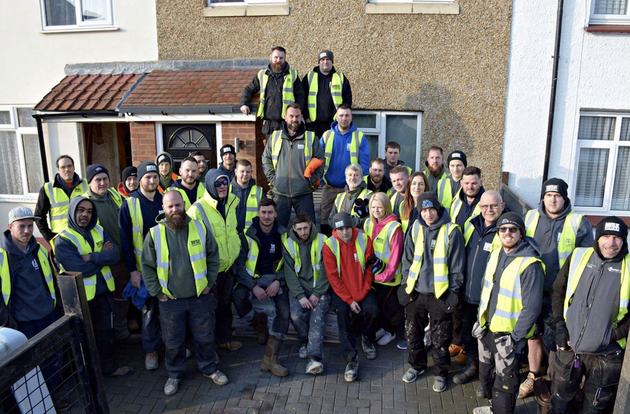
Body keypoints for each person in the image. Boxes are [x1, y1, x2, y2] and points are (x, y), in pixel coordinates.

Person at [141, 190, 227, 396]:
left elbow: (213, 257)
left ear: (184, 205)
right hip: (171, 301)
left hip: (200, 297)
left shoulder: (199, 227)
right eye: (170, 206)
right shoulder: (154, 234)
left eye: (178, 205)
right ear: (163, 208)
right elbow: (146, 266)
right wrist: (157, 292)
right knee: (172, 341)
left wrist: (209, 283)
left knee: (205, 336)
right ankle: (175, 374)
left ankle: (209, 368)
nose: (174, 210)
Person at [519, 178, 594, 399]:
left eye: (557, 196)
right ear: (543, 197)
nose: (553, 199)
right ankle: (533, 377)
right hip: (532, 289)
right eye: (549, 195)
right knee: (533, 335)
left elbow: (586, 262)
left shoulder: (578, 222)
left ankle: (553, 382)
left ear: (564, 198)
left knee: (555, 340)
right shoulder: (531, 216)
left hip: (559, 295)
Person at [549, 216, 629, 414]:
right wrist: (559, 326)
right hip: (570, 347)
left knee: (594, 409)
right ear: (597, 237)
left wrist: (610, 336)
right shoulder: (578, 257)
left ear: (624, 240)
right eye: (607, 236)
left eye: (617, 238)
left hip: (606, 354)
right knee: (559, 404)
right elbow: (558, 291)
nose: (611, 243)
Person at [472, 212, 544, 414]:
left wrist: (515, 339)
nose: (507, 233)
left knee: (505, 385)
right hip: (487, 330)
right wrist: (480, 318)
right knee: (487, 376)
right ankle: (494, 409)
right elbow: (486, 288)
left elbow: (531, 308)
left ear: (521, 233)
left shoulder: (530, 265)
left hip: (508, 338)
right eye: (502, 229)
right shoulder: (496, 253)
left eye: (513, 229)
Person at [54, 197, 133, 377]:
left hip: (104, 294)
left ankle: (108, 368)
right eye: (81, 210)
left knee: (106, 333)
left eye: (89, 211)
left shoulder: (99, 230)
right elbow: (80, 269)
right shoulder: (63, 240)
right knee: (85, 338)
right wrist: (101, 256)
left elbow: (114, 254)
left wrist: (92, 257)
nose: (85, 215)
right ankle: (89, 374)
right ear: (73, 211)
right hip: (81, 299)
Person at [399, 192, 464, 392]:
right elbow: (407, 260)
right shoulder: (415, 228)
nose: (427, 214)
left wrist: (452, 293)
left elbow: (457, 267)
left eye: (431, 210)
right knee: (413, 335)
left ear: (438, 210)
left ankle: (441, 372)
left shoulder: (452, 231)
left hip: (440, 295)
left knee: (441, 339)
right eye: (424, 210)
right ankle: (416, 365)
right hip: (416, 293)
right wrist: (405, 285)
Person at [233, 198, 291, 377]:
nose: (267, 216)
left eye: (270, 212)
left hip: (275, 278)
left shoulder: (284, 234)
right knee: (237, 296)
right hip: (253, 278)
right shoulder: (246, 233)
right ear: (258, 213)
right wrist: (252, 286)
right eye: (263, 212)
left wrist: (278, 281)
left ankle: (271, 358)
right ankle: (258, 324)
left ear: (275, 214)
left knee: (284, 311)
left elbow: (290, 263)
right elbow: (239, 265)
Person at [453, 190, 504, 392]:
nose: (488, 210)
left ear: (502, 205)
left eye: (493, 206)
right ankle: (472, 367)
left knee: (488, 341)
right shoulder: (471, 225)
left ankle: (489, 379)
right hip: (469, 294)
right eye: (484, 206)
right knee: (468, 335)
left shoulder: (506, 229)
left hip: (492, 299)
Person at [82, 164, 139, 344]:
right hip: (103, 262)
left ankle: (121, 332)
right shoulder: (84, 203)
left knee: (122, 296)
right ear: (89, 182)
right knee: (108, 301)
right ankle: (110, 338)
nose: (102, 183)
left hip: (121, 257)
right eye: (98, 180)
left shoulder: (114, 195)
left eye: (105, 179)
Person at [188, 169, 242, 351]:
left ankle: (223, 340)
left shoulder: (232, 203)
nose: (222, 187)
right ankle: (208, 350)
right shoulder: (197, 210)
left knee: (225, 308)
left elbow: (233, 233)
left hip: (228, 268)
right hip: (210, 272)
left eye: (225, 182)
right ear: (210, 185)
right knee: (207, 313)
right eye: (218, 183)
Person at [118, 161, 164, 371]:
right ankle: (151, 351)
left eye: (155, 177)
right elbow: (125, 241)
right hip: (143, 270)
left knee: (168, 309)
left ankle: (171, 346)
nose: (152, 180)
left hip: (165, 268)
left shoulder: (163, 201)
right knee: (148, 312)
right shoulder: (129, 204)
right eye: (148, 177)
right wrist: (132, 271)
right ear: (140, 181)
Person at [323, 212, 378, 382]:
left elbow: (369, 270)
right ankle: (351, 360)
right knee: (343, 316)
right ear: (335, 229)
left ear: (352, 227)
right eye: (340, 229)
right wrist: (350, 300)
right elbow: (333, 278)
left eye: (347, 228)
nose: (345, 232)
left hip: (362, 286)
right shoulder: (329, 245)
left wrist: (361, 294)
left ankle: (367, 338)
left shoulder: (364, 239)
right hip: (342, 291)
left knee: (372, 311)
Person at [262, 103, 324, 228]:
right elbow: (266, 159)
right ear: (285, 117)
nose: (294, 119)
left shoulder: (311, 138)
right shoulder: (275, 137)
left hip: (303, 193)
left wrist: (310, 181)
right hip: (280, 193)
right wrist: (273, 179)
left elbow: (321, 161)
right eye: (291, 116)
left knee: (309, 229)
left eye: (297, 116)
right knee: (277, 230)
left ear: (301, 116)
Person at [282, 214, 330, 375]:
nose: (303, 232)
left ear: (310, 225)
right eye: (299, 229)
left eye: (305, 228)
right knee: (295, 316)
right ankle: (305, 340)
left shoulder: (323, 240)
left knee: (317, 319)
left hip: (319, 289)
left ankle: (314, 358)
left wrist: (317, 293)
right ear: (294, 229)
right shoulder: (288, 243)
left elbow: (327, 270)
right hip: (299, 289)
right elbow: (289, 272)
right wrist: (300, 296)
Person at [448, 166, 485, 362]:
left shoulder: (486, 204)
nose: (470, 186)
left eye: (474, 183)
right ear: (461, 183)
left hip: (475, 259)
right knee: (457, 303)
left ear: (480, 183)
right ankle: (457, 341)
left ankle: (467, 349)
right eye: (466, 183)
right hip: (457, 259)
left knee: (472, 307)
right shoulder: (457, 201)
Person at [319, 104, 371, 235]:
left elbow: (365, 165)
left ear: (351, 116)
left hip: (351, 190)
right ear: (336, 117)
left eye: (347, 115)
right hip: (329, 188)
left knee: (350, 224)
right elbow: (318, 160)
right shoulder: (327, 136)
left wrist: (360, 187)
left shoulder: (359, 137)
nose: (344, 118)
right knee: (326, 222)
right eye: (341, 115)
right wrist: (321, 181)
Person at [363, 193, 404, 346]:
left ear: (386, 207)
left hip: (388, 277)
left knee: (385, 306)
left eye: (380, 207)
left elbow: (395, 255)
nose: (376, 210)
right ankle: (382, 327)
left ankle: (391, 331)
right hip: (374, 274)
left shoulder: (394, 227)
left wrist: (385, 276)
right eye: (373, 207)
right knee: (377, 305)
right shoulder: (368, 223)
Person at [240, 46, 306, 137]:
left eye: (281, 58)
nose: (278, 60)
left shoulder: (293, 76)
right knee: (270, 151)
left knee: (286, 150)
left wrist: (297, 114)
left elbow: (301, 96)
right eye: (276, 57)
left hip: (287, 124)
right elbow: (249, 89)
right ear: (270, 57)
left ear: (285, 59)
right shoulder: (262, 75)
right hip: (269, 124)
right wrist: (244, 104)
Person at [35, 155, 88, 242]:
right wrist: (50, 238)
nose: (67, 169)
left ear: (74, 167)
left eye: (69, 166)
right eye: (63, 167)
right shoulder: (47, 189)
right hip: (61, 238)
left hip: (84, 235)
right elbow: (39, 216)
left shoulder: (86, 184)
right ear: (58, 169)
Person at [302, 49, 352, 138]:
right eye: (322, 59)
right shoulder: (310, 77)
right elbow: (302, 98)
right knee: (313, 151)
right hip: (313, 125)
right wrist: (306, 118)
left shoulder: (340, 77)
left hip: (334, 124)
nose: (325, 62)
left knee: (331, 151)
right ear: (319, 62)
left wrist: (341, 117)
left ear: (332, 62)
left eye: (328, 59)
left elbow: (347, 99)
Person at [328, 164, 373, 230]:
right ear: (346, 178)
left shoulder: (370, 195)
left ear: (362, 177)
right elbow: (331, 220)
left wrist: (348, 223)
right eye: (350, 175)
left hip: (361, 236)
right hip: (341, 236)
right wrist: (341, 227)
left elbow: (371, 219)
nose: (353, 178)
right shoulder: (339, 197)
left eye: (356, 175)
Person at [230, 159, 264, 234]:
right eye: (242, 171)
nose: (245, 174)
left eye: (248, 172)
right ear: (236, 172)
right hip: (231, 234)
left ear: (251, 172)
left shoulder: (259, 191)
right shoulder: (227, 190)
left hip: (252, 234)